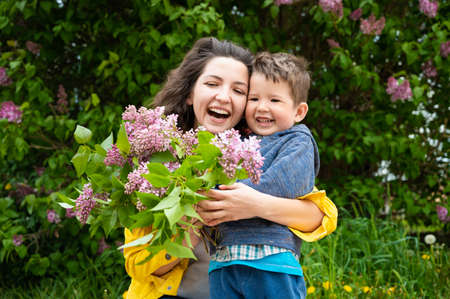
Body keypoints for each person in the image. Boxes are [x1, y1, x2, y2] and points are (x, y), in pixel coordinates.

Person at [123, 37, 337, 299]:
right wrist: (190, 222)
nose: (224, 97)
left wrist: (252, 203)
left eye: (239, 91)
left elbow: (321, 215)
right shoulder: (154, 164)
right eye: (212, 84)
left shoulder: (252, 153)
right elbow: (138, 266)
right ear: (190, 93)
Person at [207, 52, 319, 299]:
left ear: (299, 111)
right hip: (224, 261)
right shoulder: (237, 140)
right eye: (254, 98)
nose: (262, 107)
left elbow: (286, 184)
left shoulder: (297, 140)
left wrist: (230, 195)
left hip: (269, 259)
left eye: (275, 100)